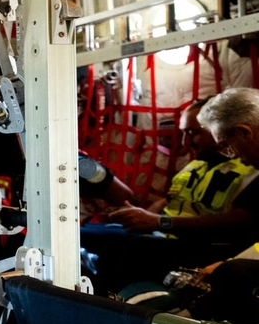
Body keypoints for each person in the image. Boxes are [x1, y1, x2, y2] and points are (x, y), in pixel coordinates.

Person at [108, 97, 257, 237]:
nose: (186, 143)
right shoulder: (195, 166)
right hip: (161, 234)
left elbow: (241, 221)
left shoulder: (250, 167)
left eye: (193, 133)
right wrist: (140, 218)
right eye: (183, 134)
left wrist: (159, 223)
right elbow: (168, 200)